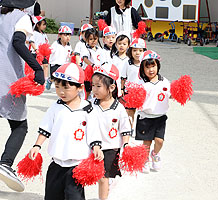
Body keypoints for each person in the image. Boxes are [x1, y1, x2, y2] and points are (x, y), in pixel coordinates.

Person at [29, 62, 103, 200]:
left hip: (77, 166)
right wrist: (37, 146)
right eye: (57, 87)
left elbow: (94, 132)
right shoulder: (55, 107)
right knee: (52, 196)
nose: (61, 92)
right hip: (56, 164)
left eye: (66, 88)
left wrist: (97, 148)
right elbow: (46, 128)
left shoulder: (88, 109)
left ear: (80, 87)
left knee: (74, 197)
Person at [0, 0, 45, 192]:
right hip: (7, 78)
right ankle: (5, 163)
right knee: (20, 125)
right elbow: (18, 42)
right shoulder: (22, 18)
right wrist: (36, 67)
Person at [91, 62, 131, 200]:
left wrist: (125, 144)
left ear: (112, 87)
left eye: (98, 86)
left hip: (110, 148)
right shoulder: (91, 104)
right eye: (93, 85)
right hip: (93, 147)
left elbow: (125, 129)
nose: (94, 90)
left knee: (103, 177)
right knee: (96, 176)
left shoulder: (119, 108)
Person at [135, 50, 170, 173]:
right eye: (147, 67)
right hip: (145, 117)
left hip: (160, 116)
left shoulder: (164, 81)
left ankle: (155, 154)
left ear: (158, 66)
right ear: (142, 69)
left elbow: (170, 94)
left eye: (153, 66)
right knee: (147, 142)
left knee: (159, 140)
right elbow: (135, 99)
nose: (151, 70)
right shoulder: (141, 83)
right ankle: (145, 159)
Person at [121, 38, 147, 134]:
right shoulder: (128, 63)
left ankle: (141, 130)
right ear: (130, 51)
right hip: (130, 91)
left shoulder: (146, 64)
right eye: (135, 50)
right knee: (130, 112)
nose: (137, 53)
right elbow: (123, 78)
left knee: (143, 113)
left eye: (140, 50)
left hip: (142, 92)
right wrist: (122, 89)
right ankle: (130, 129)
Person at [46, 25, 73, 90]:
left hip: (64, 64)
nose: (68, 37)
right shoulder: (56, 44)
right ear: (60, 35)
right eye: (65, 35)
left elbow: (70, 53)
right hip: (55, 64)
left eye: (69, 35)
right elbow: (50, 51)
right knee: (55, 78)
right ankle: (50, 80)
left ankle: (61, 89)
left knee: (62, 79)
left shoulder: (69, 45)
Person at [111, 31, 130, 97]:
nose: (121, 46)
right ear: (116, 44)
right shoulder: (113, 57)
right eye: (119, 43)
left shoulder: (129, 59)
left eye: (124, 44)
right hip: (114, 83)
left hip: (125, 85)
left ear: (128, 46)